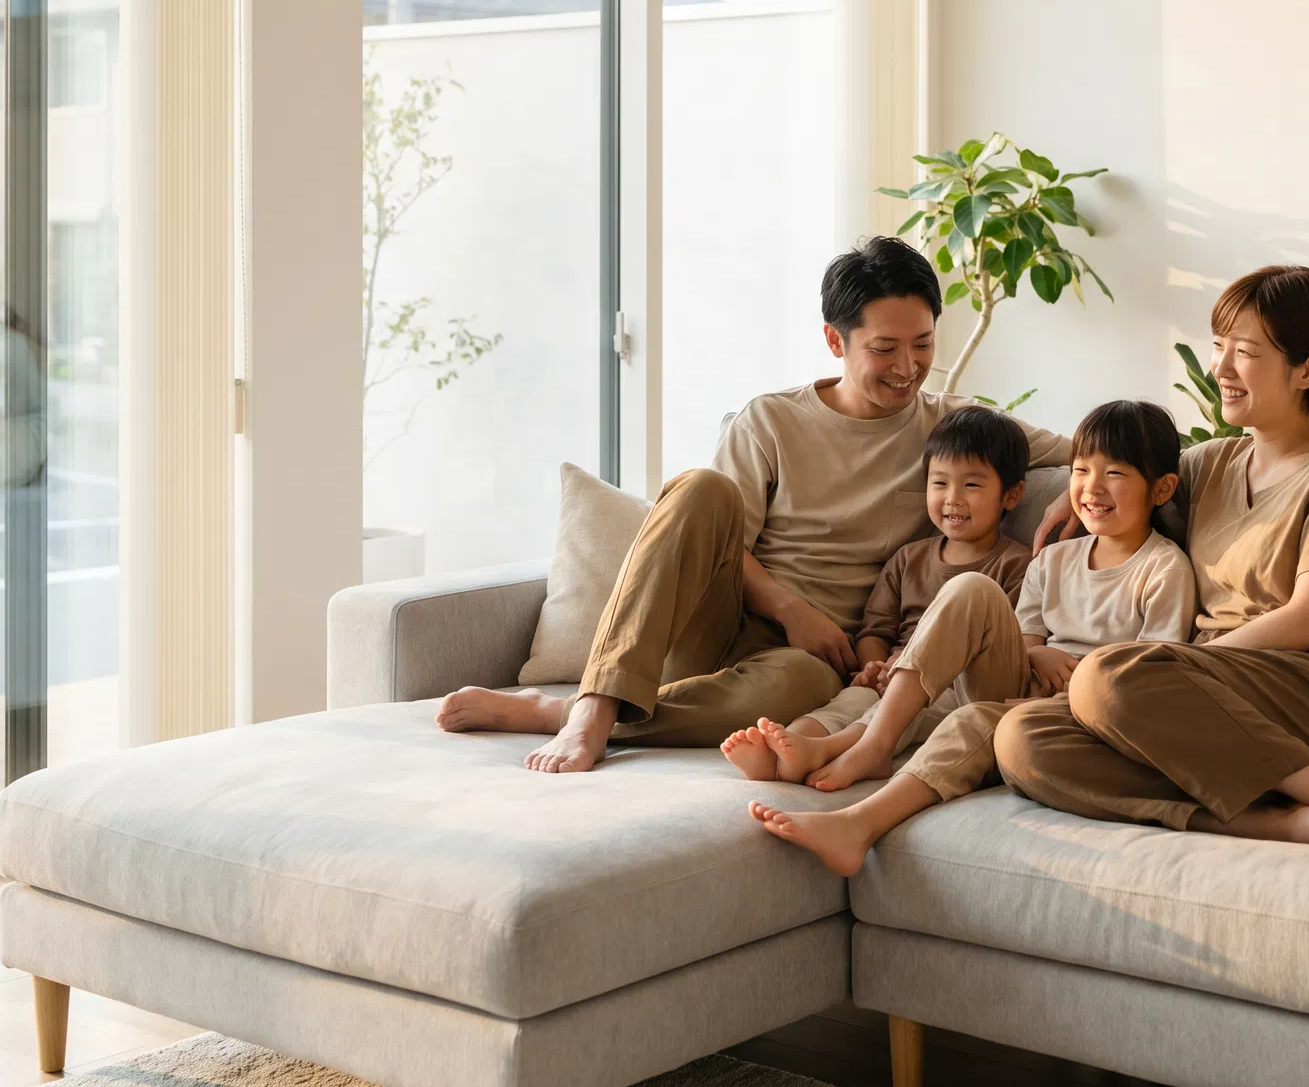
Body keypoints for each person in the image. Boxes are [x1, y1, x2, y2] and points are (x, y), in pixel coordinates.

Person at [435, 236, 1074, 771]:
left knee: (794, 694)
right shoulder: (771, 420)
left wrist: (1076, 491)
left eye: (924, 344)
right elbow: (713, 539)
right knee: (697, 486)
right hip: (721, 623)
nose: (908, 367)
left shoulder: (951, 432)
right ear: (836, 340)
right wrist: (788, 606)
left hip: (817, 663)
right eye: (885, 348)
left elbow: (1092, 451)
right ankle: (596, 705)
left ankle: (557, 709)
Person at [994, 266, 1309, 854]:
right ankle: (1272, 822)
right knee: (1022, 739)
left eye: (1245, 352)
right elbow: (1132, 475)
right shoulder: (1209, 466)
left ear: (1308, 369)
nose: (1220, 369)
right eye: (1219, 348)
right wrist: (1075, 490)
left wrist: (1174, 666)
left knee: (1108, 675)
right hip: (1199, 702)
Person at [748, 400, 1198, 875]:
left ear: (1162, 488)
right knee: (969, 588)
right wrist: (1038, 655)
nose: (1092, 487)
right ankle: (868, 745)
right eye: (1082, 470)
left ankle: (858, 824)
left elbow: (1151, 674)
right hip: (1017, 682)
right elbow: (1024, 640)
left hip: (1078, 714)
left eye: (1115, 474)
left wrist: (1078, 678)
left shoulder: (1163, 568)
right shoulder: (1054, 560)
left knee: (971, 722)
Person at [720, 403, 1033, 783]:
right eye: (939, 483)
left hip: (957, 685)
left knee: (910, 708)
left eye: (971, 485)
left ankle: (842, 750)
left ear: (1012, 495)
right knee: (851, 699)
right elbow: (876, 630)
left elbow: (1009, 644)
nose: (952, 498)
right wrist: (874, 667)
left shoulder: (1017, 565)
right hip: (893, 673)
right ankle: (791, 745)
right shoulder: (908, 558)